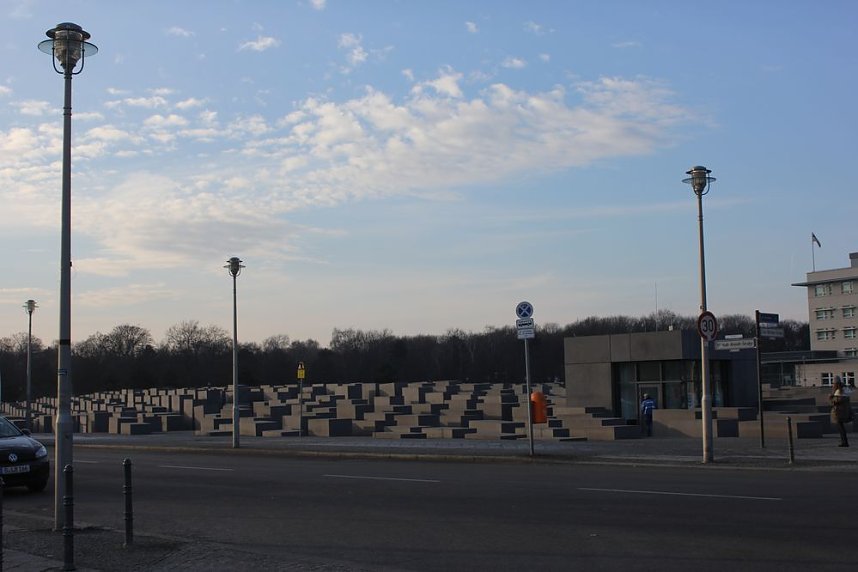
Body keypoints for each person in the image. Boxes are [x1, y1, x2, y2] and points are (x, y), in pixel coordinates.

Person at [830, 379, 852, 447]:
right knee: (841, 428)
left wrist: (830, 397)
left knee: (841, 428)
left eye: (833, 383)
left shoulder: (838, 392)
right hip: (843, 411)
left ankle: (844, 442)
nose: (833, 385)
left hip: (838, 412)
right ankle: (844, 442)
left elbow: (835, 402)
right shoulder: (845, 391)